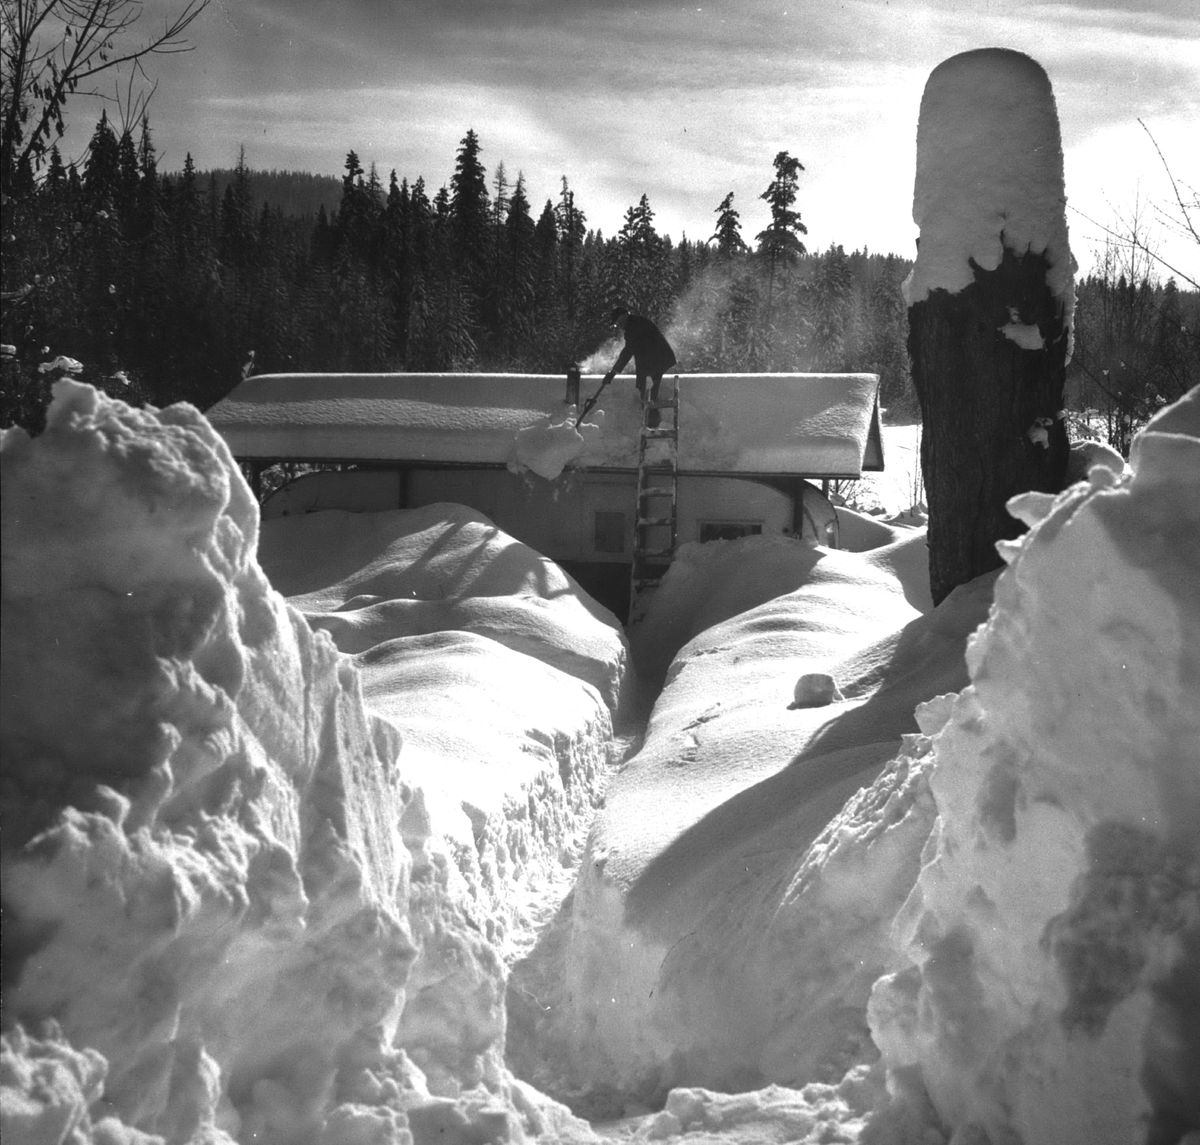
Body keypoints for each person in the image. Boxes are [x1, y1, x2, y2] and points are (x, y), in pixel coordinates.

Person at [602, 307, 676, 426]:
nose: (619, 326)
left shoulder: (634, 326)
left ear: (623, 316)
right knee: (646, 391)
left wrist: (613, 372)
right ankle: (652, 424)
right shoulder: (634, 323)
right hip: (652, 361)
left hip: (657, 360)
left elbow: (627, 352)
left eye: (617, 323)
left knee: (648, 394)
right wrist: (614, 371)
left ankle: (652, 426)